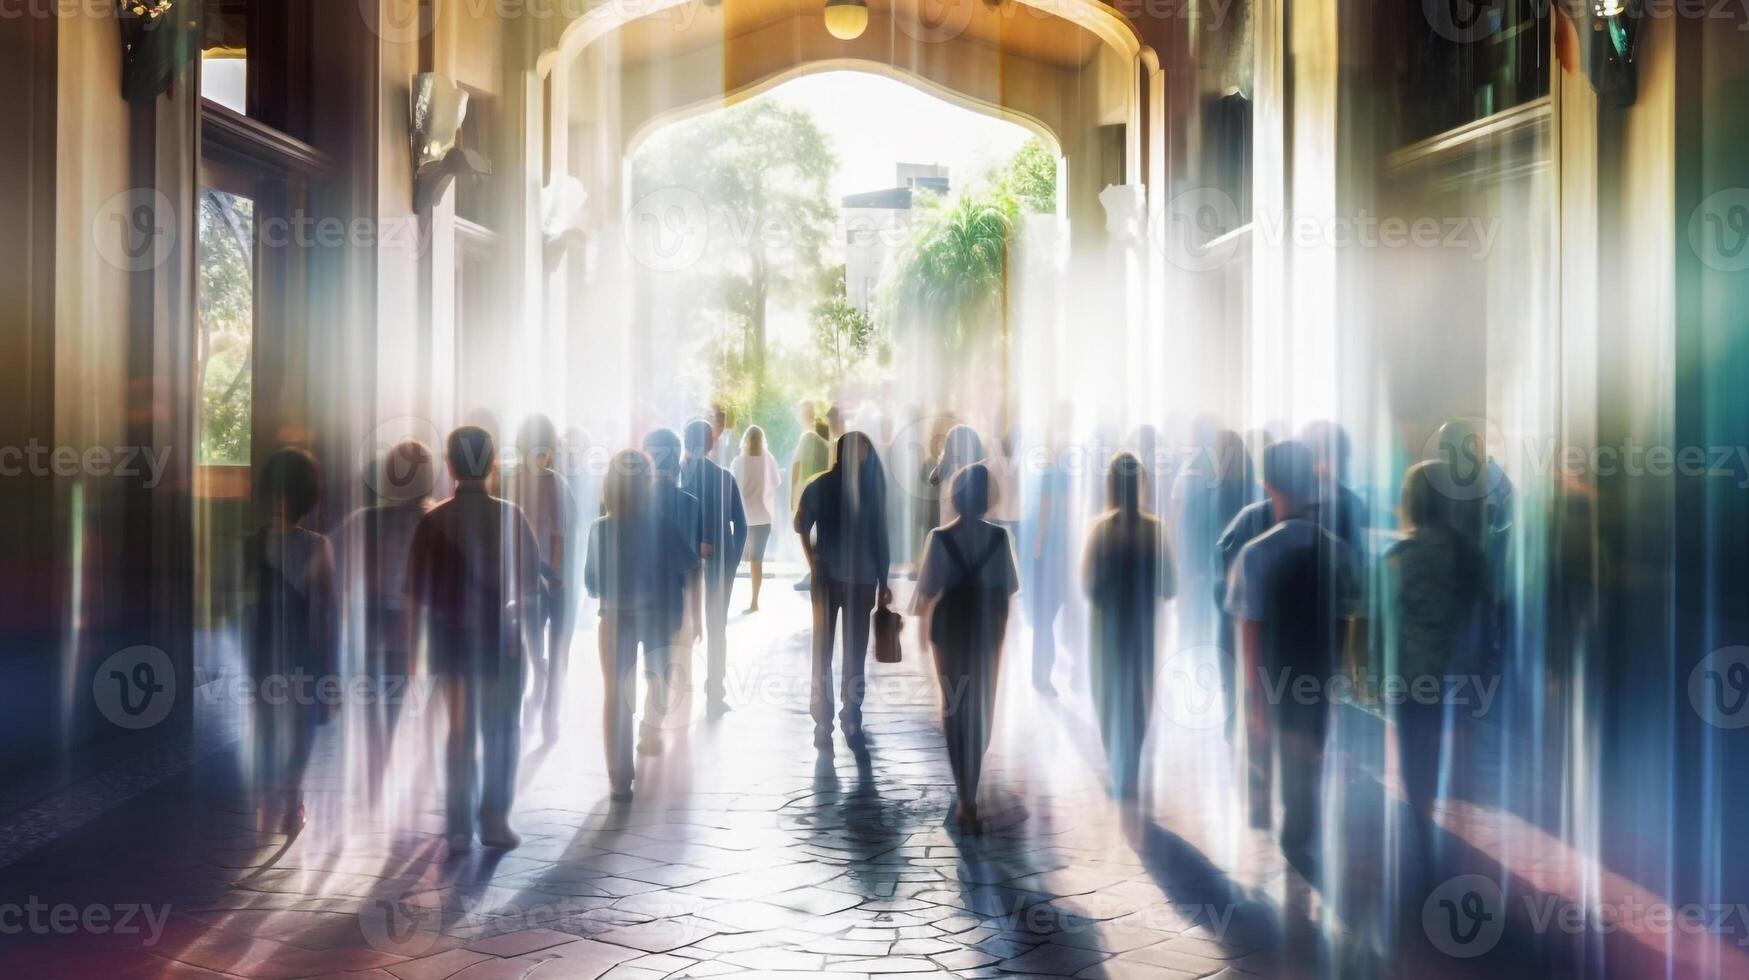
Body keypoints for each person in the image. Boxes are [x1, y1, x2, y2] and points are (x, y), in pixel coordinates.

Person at [406, 427, 543, 849]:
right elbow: (531, 590)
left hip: (450, 641)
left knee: (459, 731)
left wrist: (413, 658)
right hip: (499, 640)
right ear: (492, 464)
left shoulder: (432, 521)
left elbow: (414, 598)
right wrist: (537, 653)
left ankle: (459, 825)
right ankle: (495, 821)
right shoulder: (511, 515)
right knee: (501, 730)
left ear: (449, 466)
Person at [1223, 440, 1360, 852]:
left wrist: (1252, 696)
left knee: (1277, 747)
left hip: (1273, 673)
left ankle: (1284, 814)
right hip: (1318, 671)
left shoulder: (1256, 553)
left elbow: (1250, 631)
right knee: (1309, 747)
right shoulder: (1338, 551)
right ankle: (1302, 814)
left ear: (1267, 485)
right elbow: (1346, 623)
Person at [1387, 460, 1485, 875]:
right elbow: (1484, 614)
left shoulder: (1401, 554)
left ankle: (1424, 838)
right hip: (1461, 668)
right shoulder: (1471, 553)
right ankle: (1461, 844)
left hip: (1412, 671)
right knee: (1458, 750)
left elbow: (1387, 616)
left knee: (1416, 755)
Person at [584, 450, 699, 800]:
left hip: (615, 618)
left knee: (615, 695)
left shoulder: (600, 528)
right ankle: (649, 731)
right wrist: (692, 615)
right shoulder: (661, 523)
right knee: (659, 680)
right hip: (659, 615)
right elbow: (690, 565)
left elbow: (591, 584)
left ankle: (620, 778)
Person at [914, 464, 1018, 832]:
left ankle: (965, 796)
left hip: (950, 627)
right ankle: (970, 786)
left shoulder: (940, 539)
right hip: (987, 629)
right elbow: (1007, 591)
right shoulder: (1000, 539)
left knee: (954, 706)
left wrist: (921, 631)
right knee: (982, 707)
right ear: (988, 497)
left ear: (955, 496)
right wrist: (1000, 635)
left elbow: (926, 592)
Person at [334, 439, 435, 802]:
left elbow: (335, 572)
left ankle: (372, 768)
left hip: (367, 618)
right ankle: (382, 768)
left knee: (368, 698)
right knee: (392, 699)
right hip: (407, 621)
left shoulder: (363, 521)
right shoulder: (435, 521)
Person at [243, 447, 338, 834]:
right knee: (301, 727)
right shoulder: (318, 546)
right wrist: (329, 670)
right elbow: (325, 612)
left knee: (266, 724)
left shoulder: (249, 544)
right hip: (303, 651)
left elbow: (242, 605)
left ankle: (267, 796)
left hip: (263, 649)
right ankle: (292, 799)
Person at [1084, 452, 1176, 800]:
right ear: (1141, 485)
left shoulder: (1100, 530)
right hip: (1144, 625)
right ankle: (1131, 768)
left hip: (1106, 626)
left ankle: (1116, 765)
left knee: (1106, 694)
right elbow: (1170, 587)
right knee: (1139, 695)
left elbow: (1087, 584)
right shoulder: (1156, 529)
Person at [796, 431, 892, 755]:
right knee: (854, 652)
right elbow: (881, 539)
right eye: (862, 449)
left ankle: (823, 723)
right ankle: (850, 716)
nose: (864, 454)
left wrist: (814, 562)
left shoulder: (820, 484)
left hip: (827, 579)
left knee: (822, 651)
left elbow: (801, 524)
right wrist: (884, 580)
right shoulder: (872, 490)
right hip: (862, 579)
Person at [505, 415, 574, 744]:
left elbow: (558, 534)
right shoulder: (537, 482)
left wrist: (552, 574)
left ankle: (539, 711)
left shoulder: (524, 481)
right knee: (535, 644)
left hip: (530, 577)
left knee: (532, 643)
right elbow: (556, 535)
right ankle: (542, 697)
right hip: (532, 576)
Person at [682, 418, 749, 715]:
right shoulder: (725, 477)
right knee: (717, 626)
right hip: (721, 563)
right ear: (711, 443)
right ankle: (715, 688)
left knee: (682, 626)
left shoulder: (679, 477)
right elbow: (742, 526)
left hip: (685, 565)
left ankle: (678, 688)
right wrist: (731, 561)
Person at [642, 428, 705, 739]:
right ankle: (658, 726)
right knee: (670, 665)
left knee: (652, 665)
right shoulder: (690, 504)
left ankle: (648, 726)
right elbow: (694, 565)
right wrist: (698, 615)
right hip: (673, 596)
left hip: (635, 594)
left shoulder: (630, 501)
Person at [1021, 413, 1074, 696]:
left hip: (1049, 553)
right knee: (1048, 617)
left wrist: (1038, 547)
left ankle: (1041, 674)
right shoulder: (1061, 475)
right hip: (1059, 552)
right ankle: (1043, 674)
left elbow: (1044, 511)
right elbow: (1054, 510)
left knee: (1044, 617)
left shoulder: (1049, 474)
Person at [730, 425, 781, 612]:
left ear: (745, 440)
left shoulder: (738, 462)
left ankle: (725, 597)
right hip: (762, 516)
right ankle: (754, 601)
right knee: (756, 561)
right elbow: (776, 484)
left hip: (742, 518)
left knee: (734, 559)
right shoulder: (768, 461)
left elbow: (732, 489)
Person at [790, 417, 832, 592]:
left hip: (805, 491)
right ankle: (817, 571)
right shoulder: (829, 446)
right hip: (823, 494)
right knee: (820, 534)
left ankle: (813, 571)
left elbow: (796, 467)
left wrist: (793, 495)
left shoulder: (808, 440)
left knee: (804, 532)